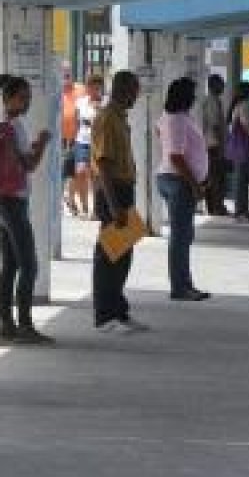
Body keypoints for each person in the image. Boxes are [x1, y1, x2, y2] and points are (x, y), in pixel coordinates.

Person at [0, 73, 55, 345]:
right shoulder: (14, 126)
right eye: (22, 97)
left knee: (10, 264)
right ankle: (25, 324)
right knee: (28, 264)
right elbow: (29, 164)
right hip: (13, 201)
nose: (27, 102)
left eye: (28, 97)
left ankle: (7, 323)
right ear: (7, 98)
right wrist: (42, 143)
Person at [91, 70, 150, 334]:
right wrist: (114, 206)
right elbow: (103, 163)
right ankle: (105, 316)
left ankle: (118, 309)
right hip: (111, 191)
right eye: (135, 91)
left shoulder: (119, 117)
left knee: (123, 253)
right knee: (109, 256)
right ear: (125, 90)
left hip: (124, 188)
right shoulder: (107, 119)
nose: (136, 96)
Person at [158, 77, 212, 301]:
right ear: (183, 96)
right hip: (178, 181)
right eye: (192, 93)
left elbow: (159, 133)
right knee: (180, 237)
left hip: (174, 179)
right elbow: (176, 157)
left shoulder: (171, 118)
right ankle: (180, 287)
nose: (194, 97)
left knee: (184, 235)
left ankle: (185, 283)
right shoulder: (177, 120)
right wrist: (194, 184)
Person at [69, 74, 104, 218]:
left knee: (96, 176)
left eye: (97, 87)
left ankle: (95, 209)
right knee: (80, 171)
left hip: (98, 142)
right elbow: (76, 122)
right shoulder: (80, 102)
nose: (95, 90)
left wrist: (99, 110)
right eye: (91, 87)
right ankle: (83, 206)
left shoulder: (105, 103)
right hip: (82, 140)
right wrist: (72, 140)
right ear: (87, 88)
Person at [227, 81, 249, 222]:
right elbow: (247, 125)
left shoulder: (237, 105)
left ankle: (242, 210)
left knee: (241, 179)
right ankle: (241, 210)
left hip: (238, 147)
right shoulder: (245, 106)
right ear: (248, 92)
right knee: (242, 180)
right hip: (244, 146)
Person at [200, 74, 230, 217]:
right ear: (213, 85)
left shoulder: (214, 101)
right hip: (213, 145)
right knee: (216, 177)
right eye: (221, 84)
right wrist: (219, 146)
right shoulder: (212, 102)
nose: (223, 86)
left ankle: (214, 206)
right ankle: (216, 207)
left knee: (214, 176)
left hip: (212, 144)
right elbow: (215, 125)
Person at [59, 63, 82, 216]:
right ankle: (61, 199)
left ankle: (70, 198)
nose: (66, 74)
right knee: (60, 171)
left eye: (68, 72)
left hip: (76, 137)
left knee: (73, 171)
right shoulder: (56, 89)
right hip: (59, 139)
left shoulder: (80, 89)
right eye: (63, 72)